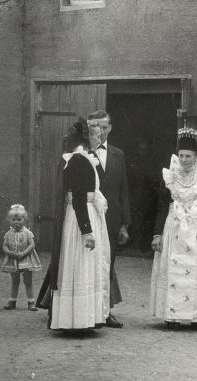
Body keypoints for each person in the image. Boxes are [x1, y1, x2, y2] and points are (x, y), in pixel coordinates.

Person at [149, 126, 197, 331]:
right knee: (174, 271)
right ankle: (172, 315)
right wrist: (157, 234)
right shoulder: (170, 176)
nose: (184, 160)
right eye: (181, 155)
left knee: (196, 273)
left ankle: (196, 316)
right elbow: (162, 206)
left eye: (188, 156)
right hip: (174, 229)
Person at [50, 118, 110, 331]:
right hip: (79, 217)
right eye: (95, 134)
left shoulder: (83, 158)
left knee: (85, 266)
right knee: (80, 264)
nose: (99, 137)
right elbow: (77, 197)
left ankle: (83, 318)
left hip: (84, 213)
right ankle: (75, 320)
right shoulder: (78, 159)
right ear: (86, 138)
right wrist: (87, 231)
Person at [87, 110, 130, 328]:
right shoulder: (81, 152)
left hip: (111, 218)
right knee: (88, 264)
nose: (101, 132)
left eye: (104, 127)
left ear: (110, 128)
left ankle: (105, 311)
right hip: (88, 217)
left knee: (108, 264)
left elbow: (123, 189)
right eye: (96, 127)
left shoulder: (117, 154)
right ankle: (87, 311)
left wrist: (124, 223)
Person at [1, 204, 42, 311]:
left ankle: (31, 302)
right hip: (13, 259)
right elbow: (4, 245)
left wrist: (23, 253)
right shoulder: (8, 233)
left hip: (26, 259)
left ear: (24, 220)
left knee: (28, 281)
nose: (16, 222)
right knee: (15, 281)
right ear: (10, 220)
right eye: (13, 219)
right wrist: (9, 252)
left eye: (19, 219)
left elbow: (32, 244)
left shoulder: (27, 232)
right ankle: (12, 301)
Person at [127, 139, 160, 252]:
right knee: (135, 221)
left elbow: (153, 179)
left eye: (145, 150)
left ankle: (142, 245)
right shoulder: (133, 162)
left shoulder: (150, 163)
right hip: (135, 195)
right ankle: (134, 245)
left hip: (147, 197)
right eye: (141, 149)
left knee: (145, 222)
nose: (143, 151)